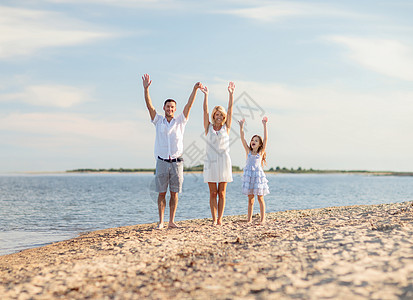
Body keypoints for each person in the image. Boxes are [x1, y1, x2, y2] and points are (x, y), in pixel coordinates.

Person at [142, 73, 202, 229]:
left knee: (174, 193)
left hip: (177, 163)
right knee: (161, 193)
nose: (170, 109)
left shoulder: (180, 121)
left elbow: (189, 105)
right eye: (167, 106)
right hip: (162, 161)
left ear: (175, 109)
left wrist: (194, 90)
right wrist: (146, 89)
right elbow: (149, 106)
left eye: (172, 107)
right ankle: (161, 222)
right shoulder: (158, 120)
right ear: (164, 108)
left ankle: (171, 221)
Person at [200, 82, 235, 225]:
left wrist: (231, 94)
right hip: (210, 161)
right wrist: (206, 96)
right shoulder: (208, 127)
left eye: (221, 114)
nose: (219, 116)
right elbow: (205, 111)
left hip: (224, 161)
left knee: (222, 193)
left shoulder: (226, 127)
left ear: (224, 116)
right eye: (217, 114)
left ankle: (220, 219)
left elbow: (231, 109)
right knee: (213, 193)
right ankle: (214, 219)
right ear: (214, 115)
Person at [238, 116, 269, 225]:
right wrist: (241, 127)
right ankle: (249, 219)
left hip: (258, 177)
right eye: (252, 140)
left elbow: (265, 139)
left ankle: (262, 219)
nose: (253, 142)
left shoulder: (260, 152)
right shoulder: (248, 151)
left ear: (259, 144)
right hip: (249, 177)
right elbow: (242, 138)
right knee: (250, 200)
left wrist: (264, 125)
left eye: (256, 140)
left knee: (260, 198)